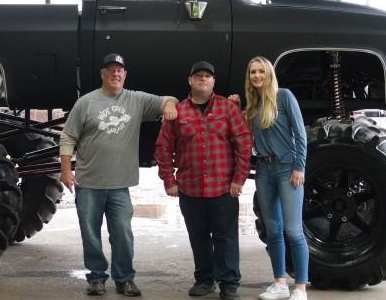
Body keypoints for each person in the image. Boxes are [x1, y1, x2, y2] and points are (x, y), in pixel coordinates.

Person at [59, 53, 178, 297]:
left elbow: (169, 99)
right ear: (102, 74)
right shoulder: (86, 102)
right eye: (110, 70)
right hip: (88, 182)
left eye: (120, 70)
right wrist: (65, 171)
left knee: (123, 233)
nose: (115, 74)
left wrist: (169, 106)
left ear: (125, 75)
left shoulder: (136, 100)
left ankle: (124, 279)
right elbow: (68, 137)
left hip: (119, 185)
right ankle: (96, 278)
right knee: (90, 234)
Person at [154, 61, 253, 300]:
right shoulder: (178, 111)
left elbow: (244, 143)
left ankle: (229, 284)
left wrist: (239, 179)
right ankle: (204, 280)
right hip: (190, 189)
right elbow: (163, 148)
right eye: (198, 76)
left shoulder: (228, 108)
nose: (203, 79)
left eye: (207, 76)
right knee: (198, 238)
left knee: (226, 237)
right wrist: (169, 180)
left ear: (213, 82)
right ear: (190, 80)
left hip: (223, 188)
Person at [229, 56, 308, 300]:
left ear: (269, 73)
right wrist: (235, 106)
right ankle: (280, 283)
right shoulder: (253, 105)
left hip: (287, 169)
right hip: (264, 170)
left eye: (261, 71)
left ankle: (301, 288)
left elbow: (300, 133)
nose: (257, 76)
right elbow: (242, 132)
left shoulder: (284, 96)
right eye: (253, 72)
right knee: (273, 230)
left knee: (293, 230)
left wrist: (299, 167)